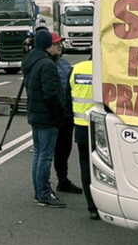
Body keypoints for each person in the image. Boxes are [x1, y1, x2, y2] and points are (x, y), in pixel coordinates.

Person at [21, 30, 66, 208]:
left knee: (39, 154)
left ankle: (39, 191)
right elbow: (51, 93)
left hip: (35, 113)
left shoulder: (30, 61)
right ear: (48, 44)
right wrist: (59, 114)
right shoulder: (47, 64)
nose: (58, 46)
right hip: (47, 116)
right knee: (45, 156)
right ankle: (43, 193)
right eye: (54, 43)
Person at [51, 33, 82, 194]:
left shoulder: (64, 64)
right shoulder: (43, 64)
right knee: (49, 151)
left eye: (60, 44)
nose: (59, 46)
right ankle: (44, 185)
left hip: (67, 115)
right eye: (56, 44)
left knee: (65, 149)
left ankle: (62, 179)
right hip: (53, 116)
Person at [70, 58, 99, 220]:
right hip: (101, 127)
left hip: (80, 124)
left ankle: (92, 206)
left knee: (85, 165)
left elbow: (71, 91)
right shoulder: (106, 68)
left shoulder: (77, 68)